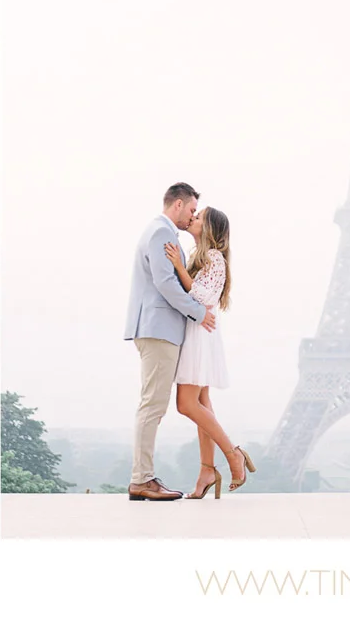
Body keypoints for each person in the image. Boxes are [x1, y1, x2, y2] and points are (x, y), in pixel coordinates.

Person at [123, 182, 216, 500]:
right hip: (159, 329)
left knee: (153, 404)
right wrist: (198, 312)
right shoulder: (162, 234)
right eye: (191, 210)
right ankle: (142, 479)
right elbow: (165, 282)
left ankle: (144, 478)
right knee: (153, 405)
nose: (192, 217)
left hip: (156, 327)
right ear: (178, 204)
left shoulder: (158, 232)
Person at [166, 206, 254, 498]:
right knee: (202, 402)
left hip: (199, 335)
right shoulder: (201, 257)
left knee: (186, 404)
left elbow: (202, 297)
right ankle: (207, 469)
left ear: (210, 229)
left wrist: (179, 267)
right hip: (198, 332)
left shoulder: (214, 258)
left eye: (199, 217)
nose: (193, 218)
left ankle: (233, 455)